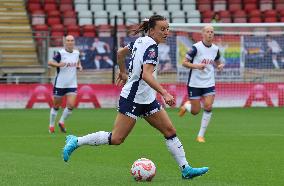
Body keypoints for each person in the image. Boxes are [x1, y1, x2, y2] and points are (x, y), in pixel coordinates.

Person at [62, 15, 208, 179]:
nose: (166, 32)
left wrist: (123, 72)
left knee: (169, 131)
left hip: (146, 98)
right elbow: (146, 74)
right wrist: (165, 93)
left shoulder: (140, 41)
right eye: (162, 29)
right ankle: (76, 141)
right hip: (132, 98)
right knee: (116, 138)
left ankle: (185, 169)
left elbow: (120, 53)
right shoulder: (152, 47)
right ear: (151, 30)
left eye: (167, 28)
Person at [178, 25, 224, 143]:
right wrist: (196, 66)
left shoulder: (215, 49)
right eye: (207, 32)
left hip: (209, 82)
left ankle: (200, 135)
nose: (210, 34)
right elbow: (184, 63)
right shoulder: (195, 48)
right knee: (195, 112)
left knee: (208, 106)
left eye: (212, 32)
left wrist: (219, 66)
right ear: (202, 34)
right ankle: (187, 106)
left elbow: (217, 60)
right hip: (195, 83)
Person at [48, 35, 83, 134]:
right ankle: (51, 125)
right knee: (56, 106)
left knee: (71, 105)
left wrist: (79, 66)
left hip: (72, 83)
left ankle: (61, 122)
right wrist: (58, 64)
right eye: (68, 40)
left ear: (74, 42)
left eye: (72, 40)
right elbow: (50, 62)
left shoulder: (76, 53)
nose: (70, 42)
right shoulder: (60, 53)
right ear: (65, 42)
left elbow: (78, 62)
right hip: (60, 84)